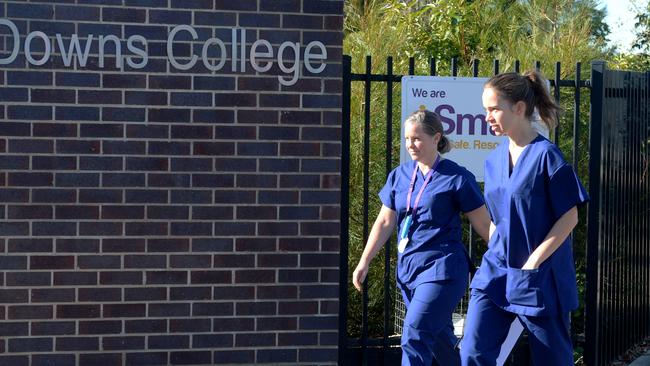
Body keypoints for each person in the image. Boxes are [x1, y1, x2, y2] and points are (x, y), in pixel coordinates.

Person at [460, 71, 589, 365]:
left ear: (518, 108)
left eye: (494, 109)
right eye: (485, 110)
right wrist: (497, 244)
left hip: (538, 278)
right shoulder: (493, 160)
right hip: (496, 272)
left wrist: (533, 262)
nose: (487, 116)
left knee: (551, 360)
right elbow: (498, 217)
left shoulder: (548, 156)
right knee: (472, 353)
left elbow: (570, 219)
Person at [352, 109, 490, 366]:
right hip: (409, 270)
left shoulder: (457, 177)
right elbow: (385, 221)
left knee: (414, 335)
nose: (410, 144)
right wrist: (365, 260)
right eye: (406, 139)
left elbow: (483, 224)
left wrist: (511, 259)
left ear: (436, 138)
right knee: (439, 340)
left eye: (416, 138)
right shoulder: (400, 175)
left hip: (442, 270)